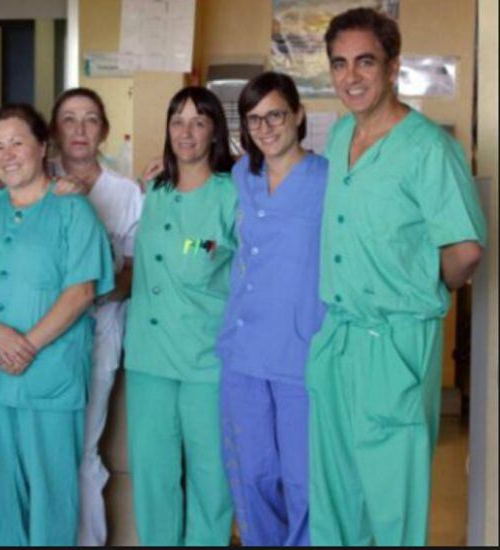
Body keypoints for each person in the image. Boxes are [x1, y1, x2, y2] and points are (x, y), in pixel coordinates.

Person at [307, 8, 486, 545]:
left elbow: (467, 251)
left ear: (392, 67)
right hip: (337, 338)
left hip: (395, 344)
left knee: (391, 507)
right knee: (335, 498)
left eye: (365, 61)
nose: (351, 76)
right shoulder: (340, 137)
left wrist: (418, 285)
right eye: (339, 64)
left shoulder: (428, 148)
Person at [0, 104, 114, 546]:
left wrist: (27, 345)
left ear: (42, 146)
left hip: (51, 373)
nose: (6, 154)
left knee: (51, 491)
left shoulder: (74, 211)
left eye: (17, 142)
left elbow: (81, 291)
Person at [215, 72, 326, 546]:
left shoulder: (328, 179)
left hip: (301, 355)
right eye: (254, 119)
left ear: (298, 116)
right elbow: (210, 225)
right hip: (243, 355)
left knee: (304, 482)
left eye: (275, 115)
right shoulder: (243, 176)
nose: (265, 127)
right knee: (252, 477)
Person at [122, 86, 237, 546]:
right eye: (177, 122)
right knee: (153, 476)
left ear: (214, 132)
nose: (185, 132)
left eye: (198, 122)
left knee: (212, 477)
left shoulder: (232, 194)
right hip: (149, 359)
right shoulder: (152, 191)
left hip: (206, 359)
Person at [47, 87, 143, 547]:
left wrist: (90, 297)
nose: (80, 130)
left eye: (89, 119)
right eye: (69, 119)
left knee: (85, 446)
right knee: (45, 446)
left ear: (104, 129)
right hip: (41, 337)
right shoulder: (36, 185)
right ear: (54, 130)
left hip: (99, 330)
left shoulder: (124, 193)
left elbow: (133, 272)